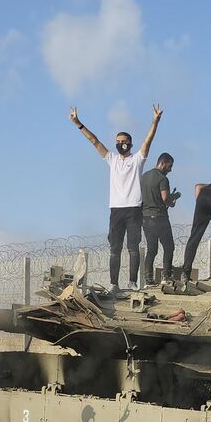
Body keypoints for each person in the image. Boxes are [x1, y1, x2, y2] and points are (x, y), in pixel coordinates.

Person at [70, 103, 163, 295]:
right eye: (117, 141)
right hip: (116, 209)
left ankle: (132, 282)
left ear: (129, 143)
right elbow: (95, 141)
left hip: (134, 209)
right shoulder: (111, 159)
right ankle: (114, 283)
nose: (120, 143)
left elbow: (148, 141)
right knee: (115, 248)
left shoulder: (137, 159)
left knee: (133, 247)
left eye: (123, 141)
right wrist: (78, 123)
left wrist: (155, 121)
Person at [140, 152, 179, 286]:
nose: (170, 169)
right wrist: (172, 201)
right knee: (169, 247)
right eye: (169, 166)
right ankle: (166, 276)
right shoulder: (163, 179)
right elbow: (165, 198)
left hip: (145, 218)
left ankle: (148, 279)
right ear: (162, 163)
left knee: (152, 249)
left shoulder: (143, 177)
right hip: (160, 218)